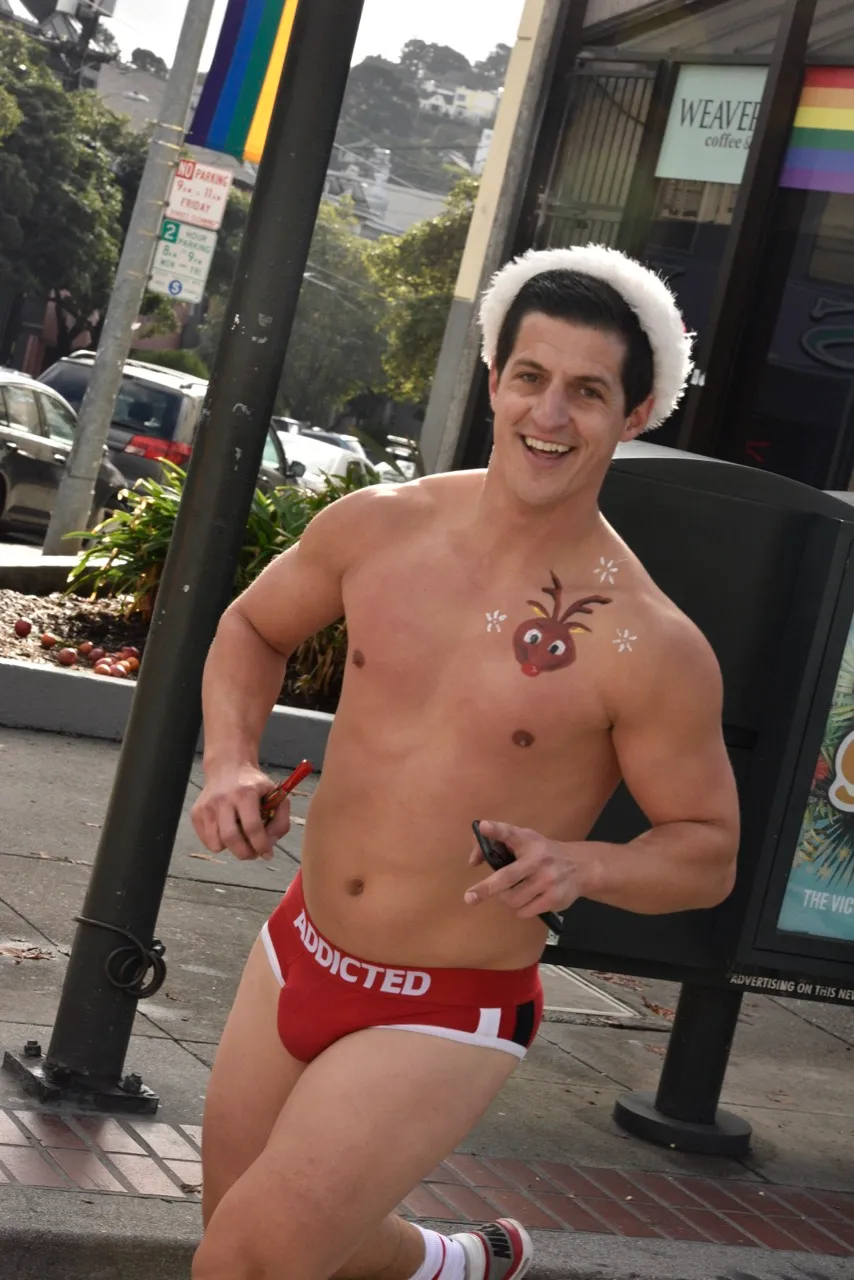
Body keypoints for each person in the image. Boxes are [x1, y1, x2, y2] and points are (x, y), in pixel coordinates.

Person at [190, 244, 740, 1280]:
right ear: (493, 378)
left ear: (635, 413)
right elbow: (251, 627)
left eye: (587, 392)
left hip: (448, 1001)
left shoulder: (651, 643)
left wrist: (583, 864)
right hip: (298, 948)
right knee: (246, 1231)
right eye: (530, 376)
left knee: (248, 1263)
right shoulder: (377, 528)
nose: (549, 413)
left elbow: (706, 851)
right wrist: (229, 762)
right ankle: (451, 1264)